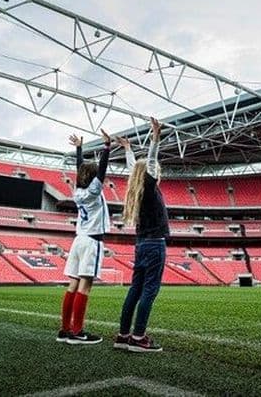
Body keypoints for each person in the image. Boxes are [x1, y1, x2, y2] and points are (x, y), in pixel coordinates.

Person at [114, 117, 169, 353]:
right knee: (149, 290)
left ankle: (123, 335)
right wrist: (155, 138)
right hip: (155, 245)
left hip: (141, 244)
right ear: (149, 174)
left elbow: (133, 168)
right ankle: (138, 337)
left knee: (135, 289)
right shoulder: (148, 187)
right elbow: (152, 162)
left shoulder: (137, 189)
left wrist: (128, 149)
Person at [57, 129, 111, 345]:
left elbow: (81, 171)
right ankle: (78, 332)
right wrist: (106, 147)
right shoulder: (93, 191)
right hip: (91, 241)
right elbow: (102, 170)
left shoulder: (77, 192)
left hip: (78, 240)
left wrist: (79, 149)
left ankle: (65, 329)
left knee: (73, 284)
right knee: (85, 286)